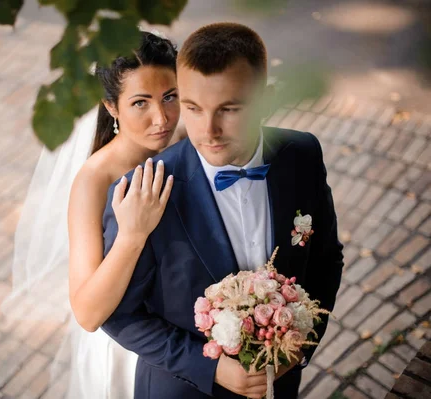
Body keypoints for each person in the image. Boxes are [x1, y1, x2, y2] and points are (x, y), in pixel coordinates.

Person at [101, 22, 344, 399]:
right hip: (183, 390)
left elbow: (327, 260)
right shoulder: (142, 192)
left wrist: (301, 344)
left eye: (229, 109)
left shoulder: (302, 155)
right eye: (193, 108)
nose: (208, 131)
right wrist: (208, 367)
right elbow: (119, 315)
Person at [5, 30, 181, 398]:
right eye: (140, 103)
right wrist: (133, 235)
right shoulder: (94, 182)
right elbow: (87, 313)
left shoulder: (182, 140)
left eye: (170, 97)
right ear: (112, 106)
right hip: (133, 350)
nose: (161, 117)